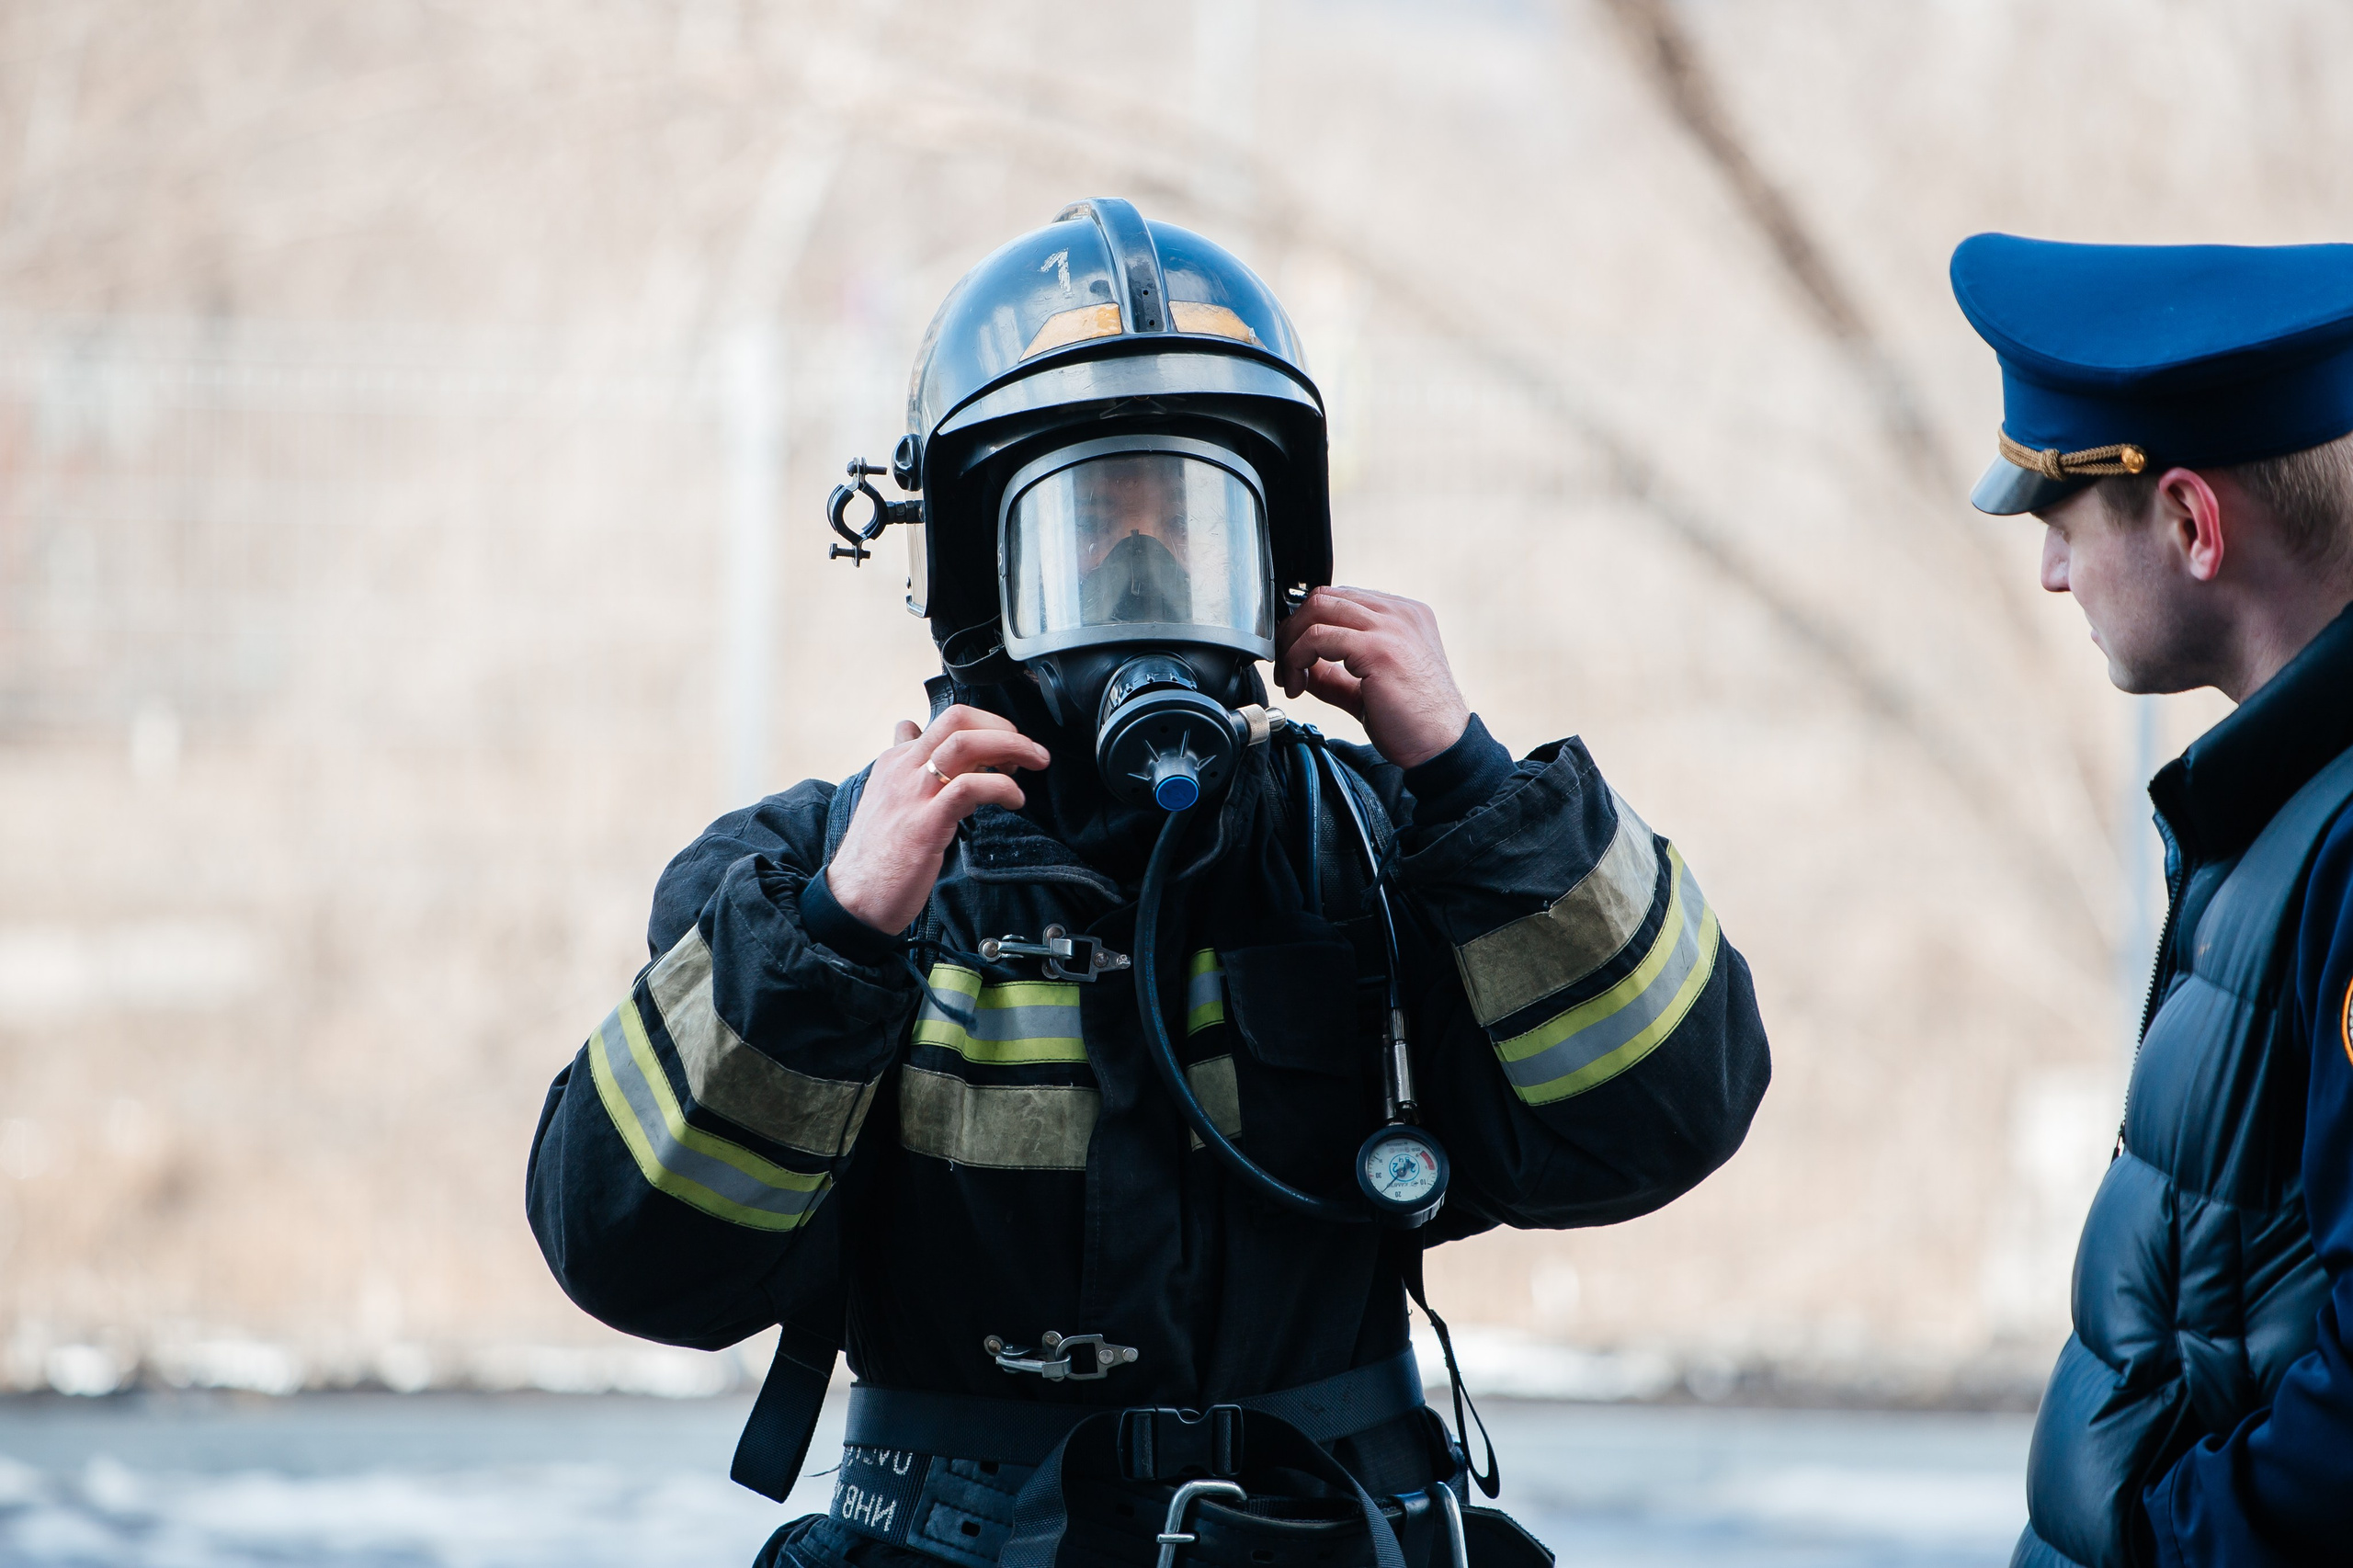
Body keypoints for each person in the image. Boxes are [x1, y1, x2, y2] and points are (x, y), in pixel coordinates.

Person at [529, 199, 1771, 1568]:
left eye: (1190, 528)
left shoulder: (1381, 848)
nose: (1142, 575)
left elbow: (1676, 1110)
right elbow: (628, 1255)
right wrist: (836, 937)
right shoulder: (801, 879)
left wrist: (1475, 785)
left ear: (1276, 571)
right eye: (1090, 535)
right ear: (972, 574)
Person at [1952, 234, 2353, 1568]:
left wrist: (2162, 1548)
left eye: (2064, 525)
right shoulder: (2281, 801)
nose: (2054, 575)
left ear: (2191, 522)